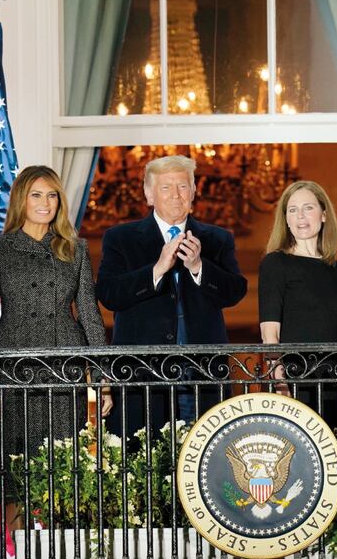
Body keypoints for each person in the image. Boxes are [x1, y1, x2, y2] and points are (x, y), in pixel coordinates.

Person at [0, 165, 111, 509]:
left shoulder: (75, 248)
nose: (45, 203)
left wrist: (104, 379)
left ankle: (63, 552)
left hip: (65, 367)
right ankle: (18, 555)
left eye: (52, 195)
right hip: (15, 367)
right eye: (36, 194)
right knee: (16, 471)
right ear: (22, 199)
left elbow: (90, 314)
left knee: (65, 468)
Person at [96, 154, 247, 436]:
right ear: (149, 194)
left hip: (201, 374)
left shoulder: (217, 238)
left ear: (193, 192)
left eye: (182, 186)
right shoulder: (120, 238)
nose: (176, 195)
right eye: (166, 187)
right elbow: (108, 294)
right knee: (146, 464)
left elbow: (235, 291)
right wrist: (156, 270)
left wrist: (199, 267)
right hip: (143, 375)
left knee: (202, 458)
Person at [258, 180, 337, 429]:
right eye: (292, 210)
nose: (300, 216)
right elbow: (270, 332)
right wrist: (279, 381)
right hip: (292, 381)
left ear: (323, 215)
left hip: (336, 381)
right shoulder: (275, 263)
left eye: (307, 208)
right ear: (285, 220)